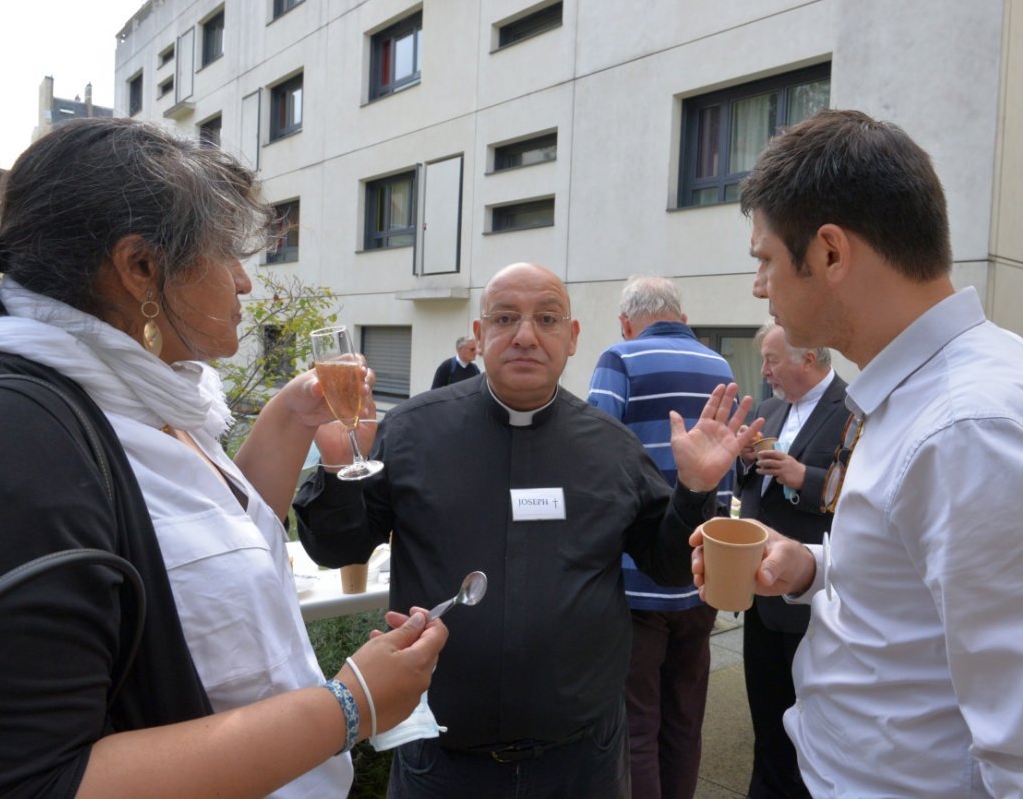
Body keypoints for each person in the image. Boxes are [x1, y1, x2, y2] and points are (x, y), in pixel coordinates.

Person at [0, 117, 447, 797]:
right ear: (141, 269)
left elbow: (205, 556)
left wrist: (288, 419)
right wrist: (349, 705)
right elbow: (37, 782)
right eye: (226, 255)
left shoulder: (146, 396)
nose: (246, 284)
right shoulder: (19, 440)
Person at [690, 109, 1023, 796]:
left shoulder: (974, 431)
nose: (758, 286)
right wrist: (809, 567)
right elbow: (918, 587)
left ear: (830, 253)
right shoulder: (926, 394)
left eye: (766, 259)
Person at [294, 262, 760, 798]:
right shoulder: (410, 432)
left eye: (546, 318)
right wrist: (334, 470)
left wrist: (695, 491)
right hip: (442, 762)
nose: (525, 336)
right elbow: (335, 547)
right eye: (505, 318)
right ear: (479, 334)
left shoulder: (613, 448)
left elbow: (668, 562)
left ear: (573, 337)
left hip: (583, 764)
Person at [585, 274, 735, 799]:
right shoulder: (718, 364)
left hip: (636, 578)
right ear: (683, 318)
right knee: (685, 719)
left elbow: (596, 460)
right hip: (702, 573)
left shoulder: (619, 358)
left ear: (626, 322)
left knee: (637, 727)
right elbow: (727, 465)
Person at [735, 321, 848, 799]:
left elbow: (862, 494)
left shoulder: (853, 410)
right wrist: (742, 459)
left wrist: (805, 476)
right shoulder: (769, 409)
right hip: (759, 587)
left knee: (814, 719)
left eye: (771, 360)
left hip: (811, 592)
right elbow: (751, 490)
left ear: (809, 359)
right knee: (765, 710)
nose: (764, 371)